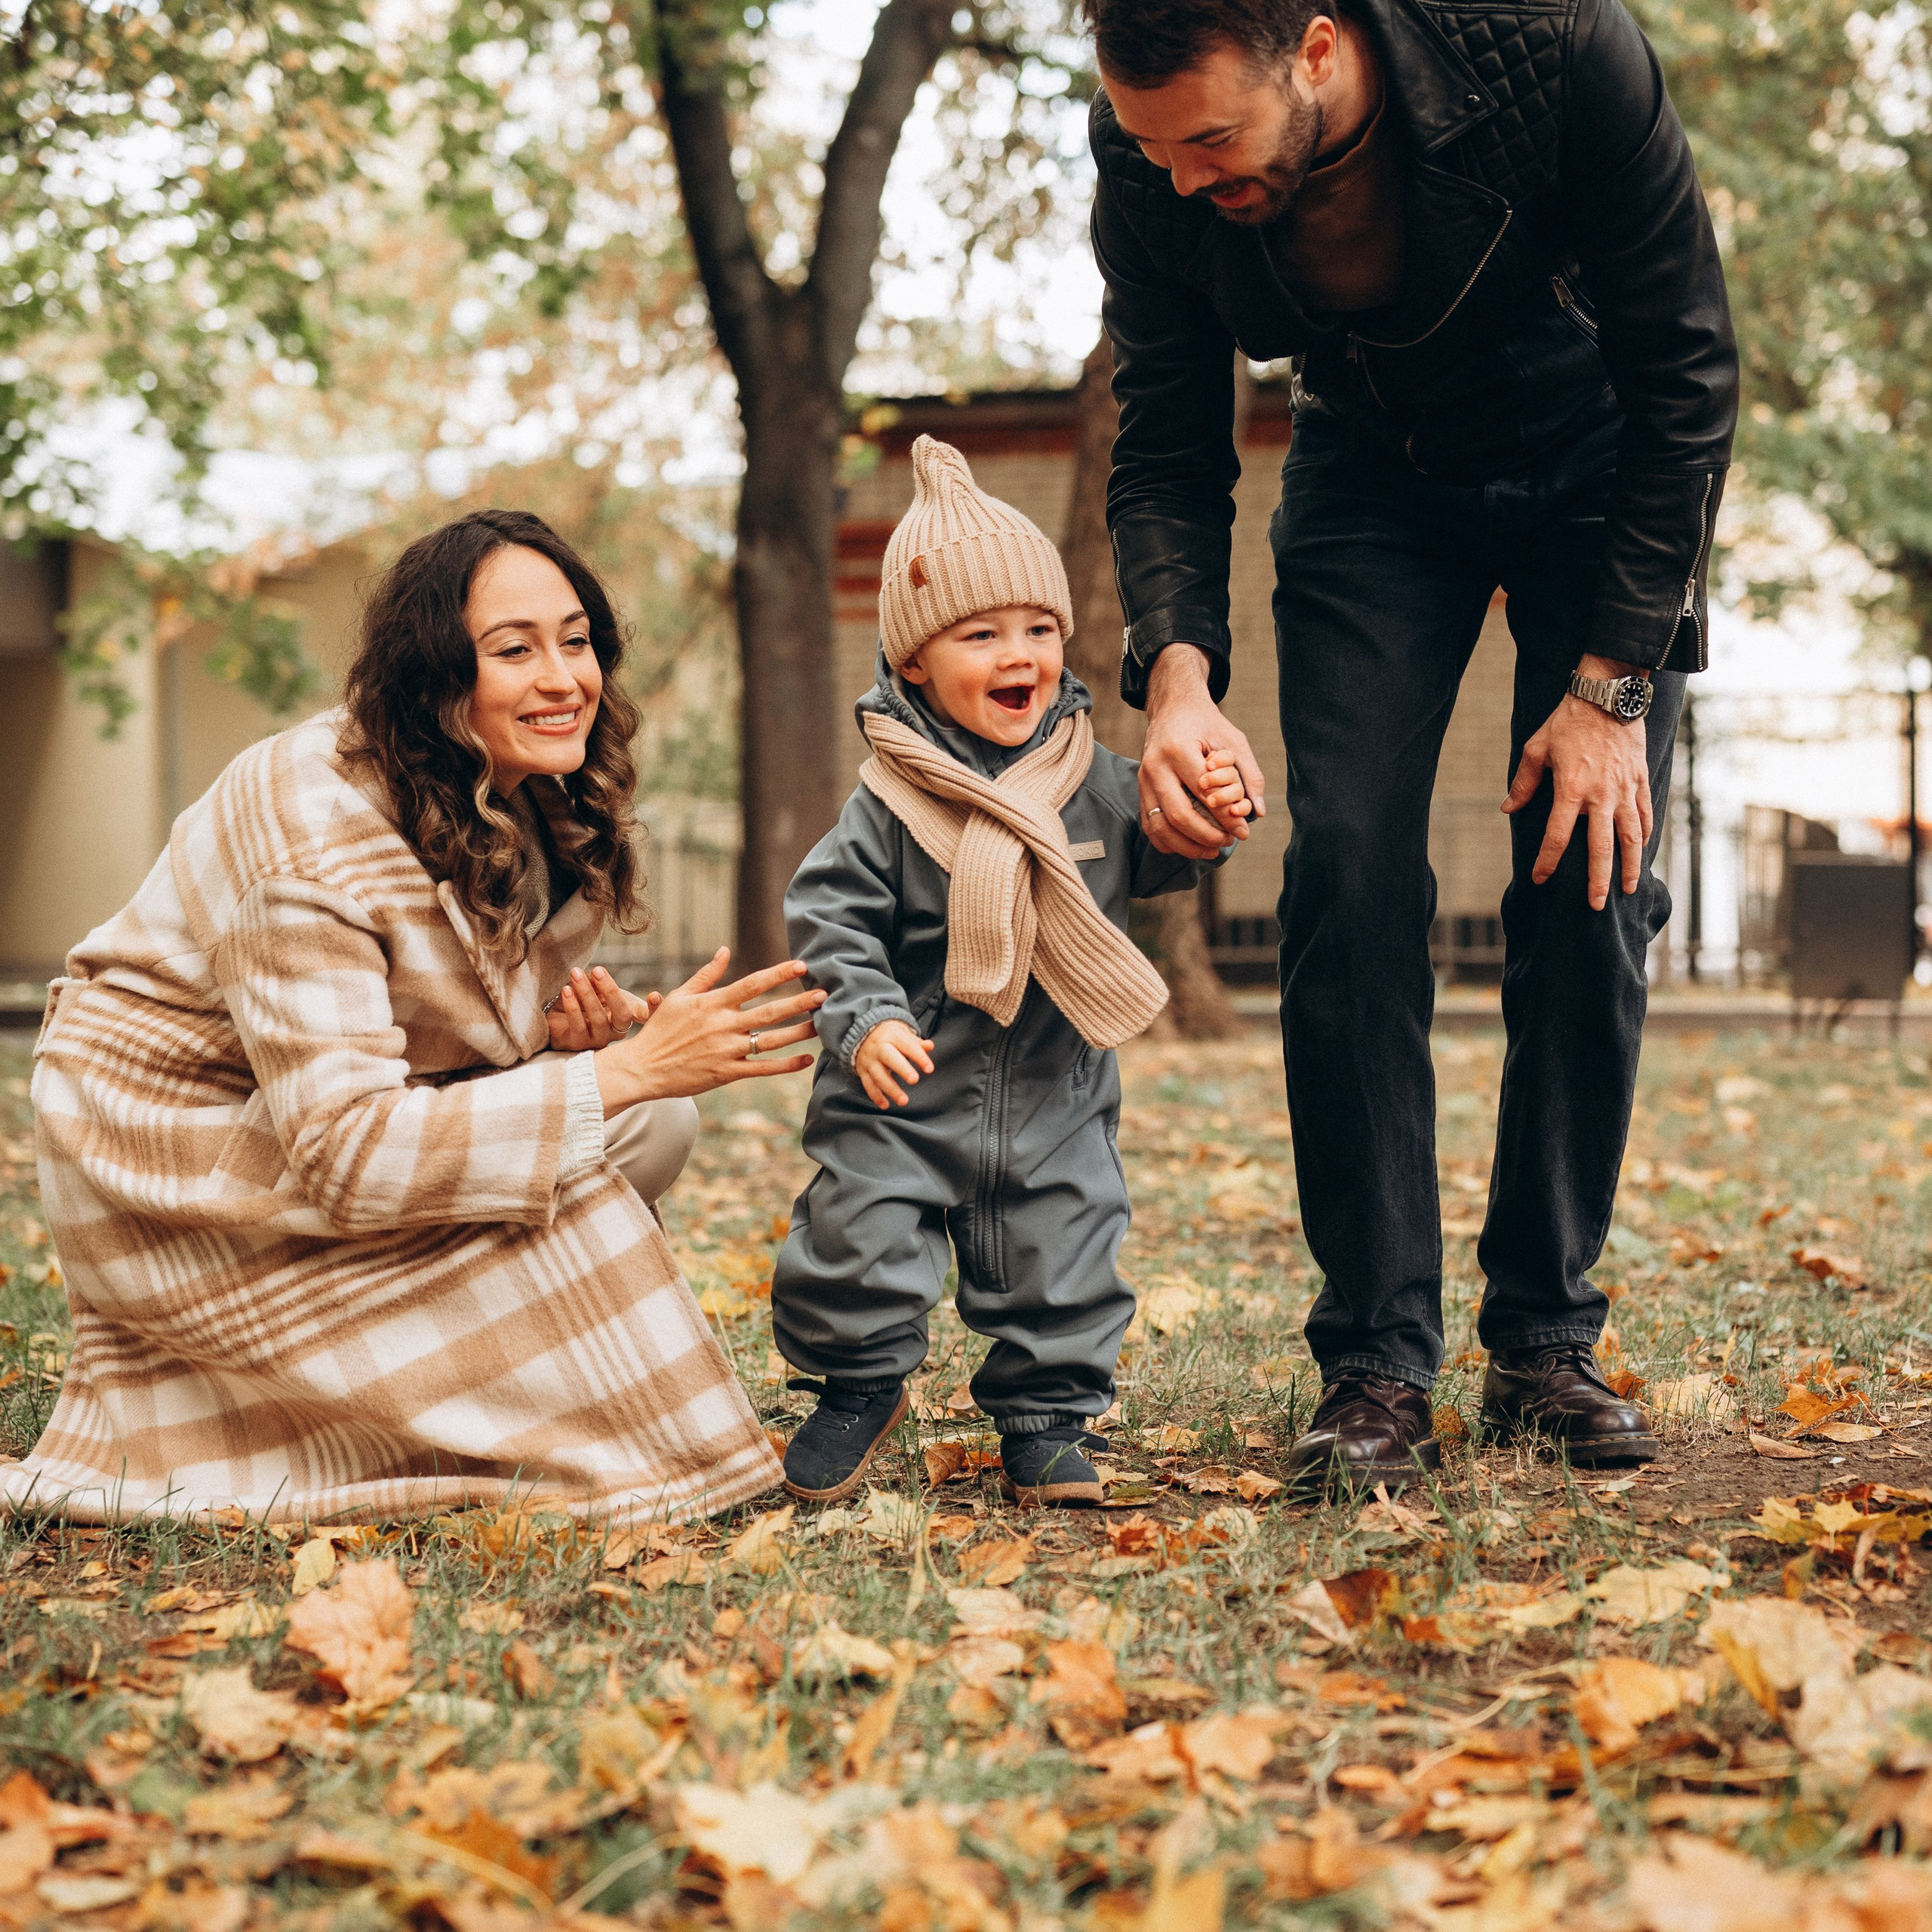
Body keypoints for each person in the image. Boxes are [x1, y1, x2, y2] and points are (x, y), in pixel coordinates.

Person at [1084, 0, 1739, 1488]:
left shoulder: (1555, 48)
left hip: (1596, 463)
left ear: (1313, 53)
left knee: (1585, 876)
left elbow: (1687, 379)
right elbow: (1168, 428)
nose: (1179, 177)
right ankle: (1373, 1364)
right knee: (1349, 872)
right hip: (1371, 468)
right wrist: (1176, 679)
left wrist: (1612, 687)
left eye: (1207, 142)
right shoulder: (1148, 152)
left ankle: (1539, 1345)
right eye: (1148, 147)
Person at [17, 509, 822, 1525]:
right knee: (610, 1136)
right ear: (434, 677)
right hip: (177, 1150)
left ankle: (453, 1376)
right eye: (513, 651)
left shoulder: (522, 794)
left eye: (576, 642)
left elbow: (432, 1025)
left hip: (312, 1123)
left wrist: (563, 1046)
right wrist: (620, 1073)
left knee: (656, 1128)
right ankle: (355, 1399)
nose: (563, 678)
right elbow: (347, 1152)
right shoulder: (309, 831)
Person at [768, 438, 1233, 1508]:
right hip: (904, 1082)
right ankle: (858, 1381)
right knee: (859, 1235)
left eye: (1037, 629)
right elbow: (829, 922)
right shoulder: (888, 804)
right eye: (980, 634)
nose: (1017, 652)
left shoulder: (1098, 781)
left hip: (1051, 1091)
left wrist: (1206, 819)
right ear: (916, 664)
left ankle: (1046, 1423)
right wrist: (865, 1020)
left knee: (1062, 1249)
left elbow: (1168, 840)